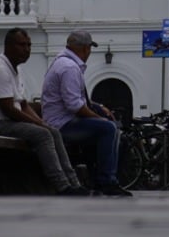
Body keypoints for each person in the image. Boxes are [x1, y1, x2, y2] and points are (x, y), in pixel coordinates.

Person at [0, 27, 87, 196]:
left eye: (29, 45)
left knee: (53, 131)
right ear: (8, 46)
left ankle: (74, 184)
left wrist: (43, 123)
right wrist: (39, 125)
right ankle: (62, 187)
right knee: (43, 135)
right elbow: (9, 109)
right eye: (21, 45)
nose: (27, 49)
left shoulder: (16, 69)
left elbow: (23, 105)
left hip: (8, 122)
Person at [42, 30, 130, 196]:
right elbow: (74, 106)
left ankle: (97, 178)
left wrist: (98, 106)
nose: (89, 53)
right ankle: (107, 180)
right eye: (89, 48)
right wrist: (99, 118)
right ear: (83, 49)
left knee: (106, 129)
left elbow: (75, 98)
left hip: (62, 120)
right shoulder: (69, 68)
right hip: (62, 125)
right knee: (108, 129)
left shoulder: (63, 62)